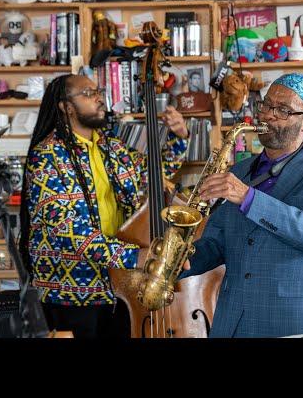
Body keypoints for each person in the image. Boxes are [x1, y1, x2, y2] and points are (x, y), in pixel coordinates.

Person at [180, 72, 303, 338]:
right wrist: (178, 260)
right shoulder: (239, 170)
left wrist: (249, 198)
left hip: (288, 321)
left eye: (283, 110)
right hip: (231, 319)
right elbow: (217, 243)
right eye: (267, 105)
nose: (269, 115)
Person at [19, 73, 189, 338]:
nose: (99, 98)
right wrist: (135, 257)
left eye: (98, 91)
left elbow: (154, 176)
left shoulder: (111, 146)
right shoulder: (47, 156)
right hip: (69, 294)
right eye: (88, 93)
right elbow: (67, 230)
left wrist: (178, 136)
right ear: (66, 106)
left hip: (118, 287)